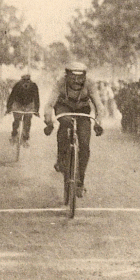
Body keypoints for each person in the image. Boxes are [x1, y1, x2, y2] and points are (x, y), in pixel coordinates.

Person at [43, 62, 105, 198]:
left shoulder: (90, 84)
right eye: (73, 77)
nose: (77, 81)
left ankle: (80, 181)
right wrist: (49, 122)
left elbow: (99, 106)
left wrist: (98, 123)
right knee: (65, 123)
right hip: (64, 107)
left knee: (84, 144)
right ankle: (61, 158)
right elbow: (49, 104)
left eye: (80, 77)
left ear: (85, 76)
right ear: (67, 75)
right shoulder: (60, 82)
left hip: (82, 110)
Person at [5, 74, 40, 147]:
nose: (26, 83)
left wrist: (36, 109)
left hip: (29, 104)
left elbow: (36, 98)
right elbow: (12, 96)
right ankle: (14, 134)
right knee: (17, 119)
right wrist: (8, 108)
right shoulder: (17, 85)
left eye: (28, 80)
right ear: (21, 80)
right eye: (24, 80)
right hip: (18, 104)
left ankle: (25, 137)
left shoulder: (34, 86)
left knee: (28, 120)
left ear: (30, 80)